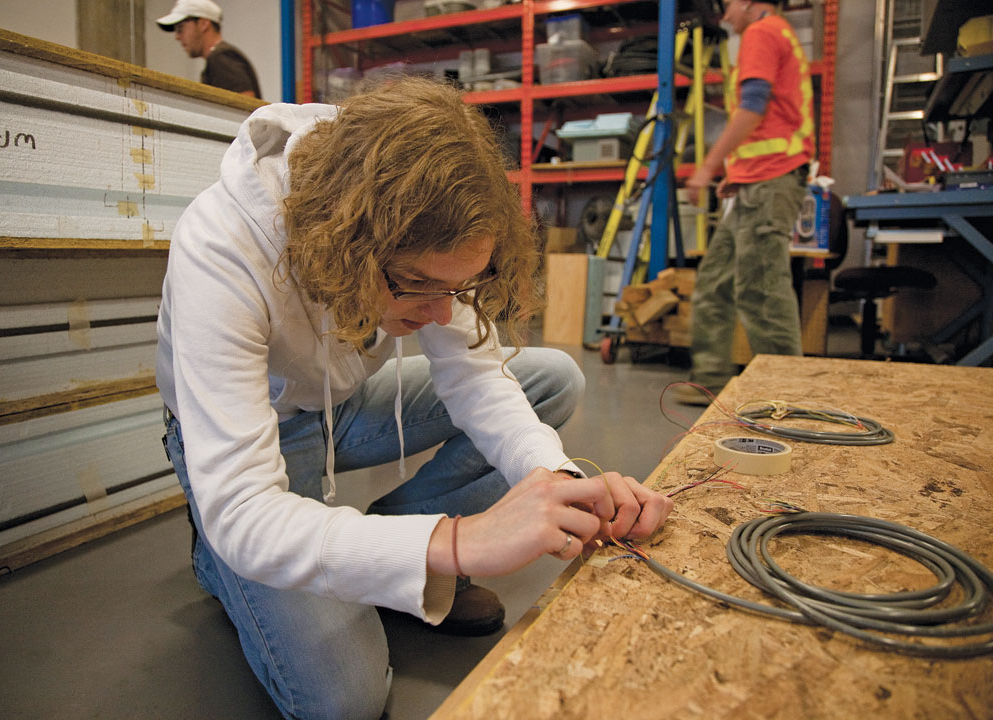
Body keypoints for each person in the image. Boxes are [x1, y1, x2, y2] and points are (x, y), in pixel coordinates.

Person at [157, 77, 674, 719]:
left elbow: (479, 380)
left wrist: (562, 483)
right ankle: (220, 563)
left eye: (456, 289)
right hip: (244, 441)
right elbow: (242, 507)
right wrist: (457, 542)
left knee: (552, 380)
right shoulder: (222, 244)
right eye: (416, 287)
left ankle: (387, 549)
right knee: (345, 701)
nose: (438, 314)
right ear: (345, 241)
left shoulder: (424, 223)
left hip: (338, 403)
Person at [678, 0, 813, 405]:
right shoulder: (777, 34)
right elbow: (771, 116)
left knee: (763, 290)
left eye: (728, 5)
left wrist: (708, 167)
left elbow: (754, 107)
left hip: (772, 180)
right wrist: (737, 174)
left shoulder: (762, 32)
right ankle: (710, 381)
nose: (724, 13)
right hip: (758, 180)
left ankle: (783, 393)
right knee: (715, 282)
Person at [156, 0, 261, 98]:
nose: (177, 36)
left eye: (181, 28)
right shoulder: (219, 57)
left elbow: (245, 105)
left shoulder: (221, 57)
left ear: (203, 24)